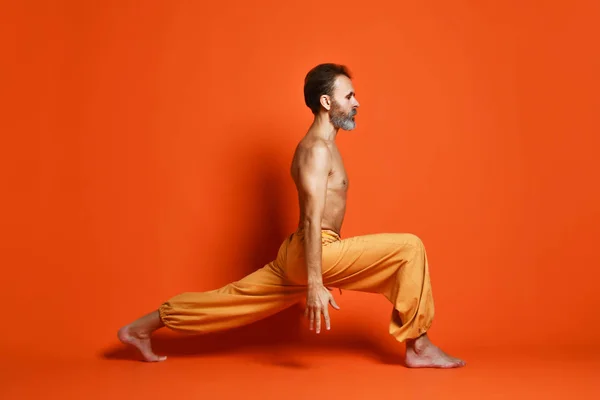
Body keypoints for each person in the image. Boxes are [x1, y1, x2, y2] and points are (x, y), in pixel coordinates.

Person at [118, 63, 466, 368]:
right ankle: (419, 346)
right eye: (349, 96)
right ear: (326, 102)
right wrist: (316, 283)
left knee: (234, 299)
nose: (357, 103)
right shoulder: (316, 150)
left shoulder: (326, 145)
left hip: (301, 253)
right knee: (409, 248)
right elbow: (313, 220)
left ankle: (141, 328)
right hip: (315, 250)